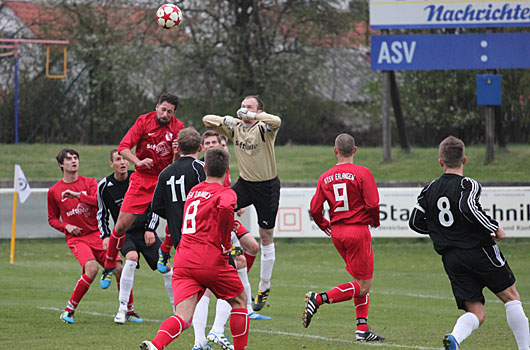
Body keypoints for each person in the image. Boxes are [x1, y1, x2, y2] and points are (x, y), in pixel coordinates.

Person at [409, 135, 530, 350]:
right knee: (511, 297)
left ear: (440, 161)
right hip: (478, 250)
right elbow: (468, 207)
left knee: (476, 312)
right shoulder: (468, 184)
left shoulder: (429, 189)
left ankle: (454, 338)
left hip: (452, 258)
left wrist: (442, 232)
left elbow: (415, 222)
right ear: (464, 160)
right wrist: (494, 228)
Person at [140, 147, 250, 350]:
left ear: (205, 167)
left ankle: (156, 345)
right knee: (240, 302)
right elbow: (226, 208)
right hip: (210, 259)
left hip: (183, 258)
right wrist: (226, 242)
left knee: (182, 315)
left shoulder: (194, 191)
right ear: (227, 170)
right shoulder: (226, 193)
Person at [303, 133, 385, 342]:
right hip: (357, 230)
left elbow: (314, 209)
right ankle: (319, 299)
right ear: (355, 150)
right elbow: (373, 204)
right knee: (364, 285)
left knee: (358, 281)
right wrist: (374, 220)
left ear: (335, 150)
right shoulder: (362, 173)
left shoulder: (325, 177)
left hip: (338, 232)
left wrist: (324, 225)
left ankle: (362, 329)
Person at [203, 95, 281, 311]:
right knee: (220, 208)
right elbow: (207, 120)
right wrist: (228, 120)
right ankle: (228, 251)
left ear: (258, 111)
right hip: (245, 184)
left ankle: (264, 286)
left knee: (266, 236)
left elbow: (277, 121)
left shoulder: (264, 128)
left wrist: (254, 116)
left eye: (250, 107)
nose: (245, 110)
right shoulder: (236, 127)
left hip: (267, 186)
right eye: (243, 106)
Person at [101, 93, 185, 288]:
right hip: (141, 179)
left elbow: (177, 162)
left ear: (174, 113)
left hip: (164, 180)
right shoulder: (144, 121)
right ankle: (109, 264)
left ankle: (164, 255)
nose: (165, 114)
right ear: (157, 107)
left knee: (177, 222)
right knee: (121, 226)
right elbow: (123, 148)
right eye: (162, 109)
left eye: (169, 112)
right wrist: (138, 162)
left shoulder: (178, 127)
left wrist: (176, 153)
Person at [47, 148, 129, 324]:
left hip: (97, 234)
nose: (73, 161)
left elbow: (99, 202)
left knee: (120, 269)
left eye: (76, 158)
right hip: (77, 239)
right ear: (61, 164)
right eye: (69, 159)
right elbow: (52, 219)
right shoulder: (54, 191)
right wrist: (66, 226)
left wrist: (79, 196)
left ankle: (128, 310)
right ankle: (69, 310)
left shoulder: (90, 183)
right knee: (91, 269)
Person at [97, 149, 174, 324]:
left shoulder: (138, 179)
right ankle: (123, 310)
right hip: (124, 233)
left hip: (145, 231)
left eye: (125, 159)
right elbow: (101, 213)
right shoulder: (104, 186)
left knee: (167, 266)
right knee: (131, 257)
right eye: (118, 159)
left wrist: (150, 228)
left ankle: (178, 309)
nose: (123, 162)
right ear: (111, 164)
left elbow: (155, 204)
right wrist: (106, 235)